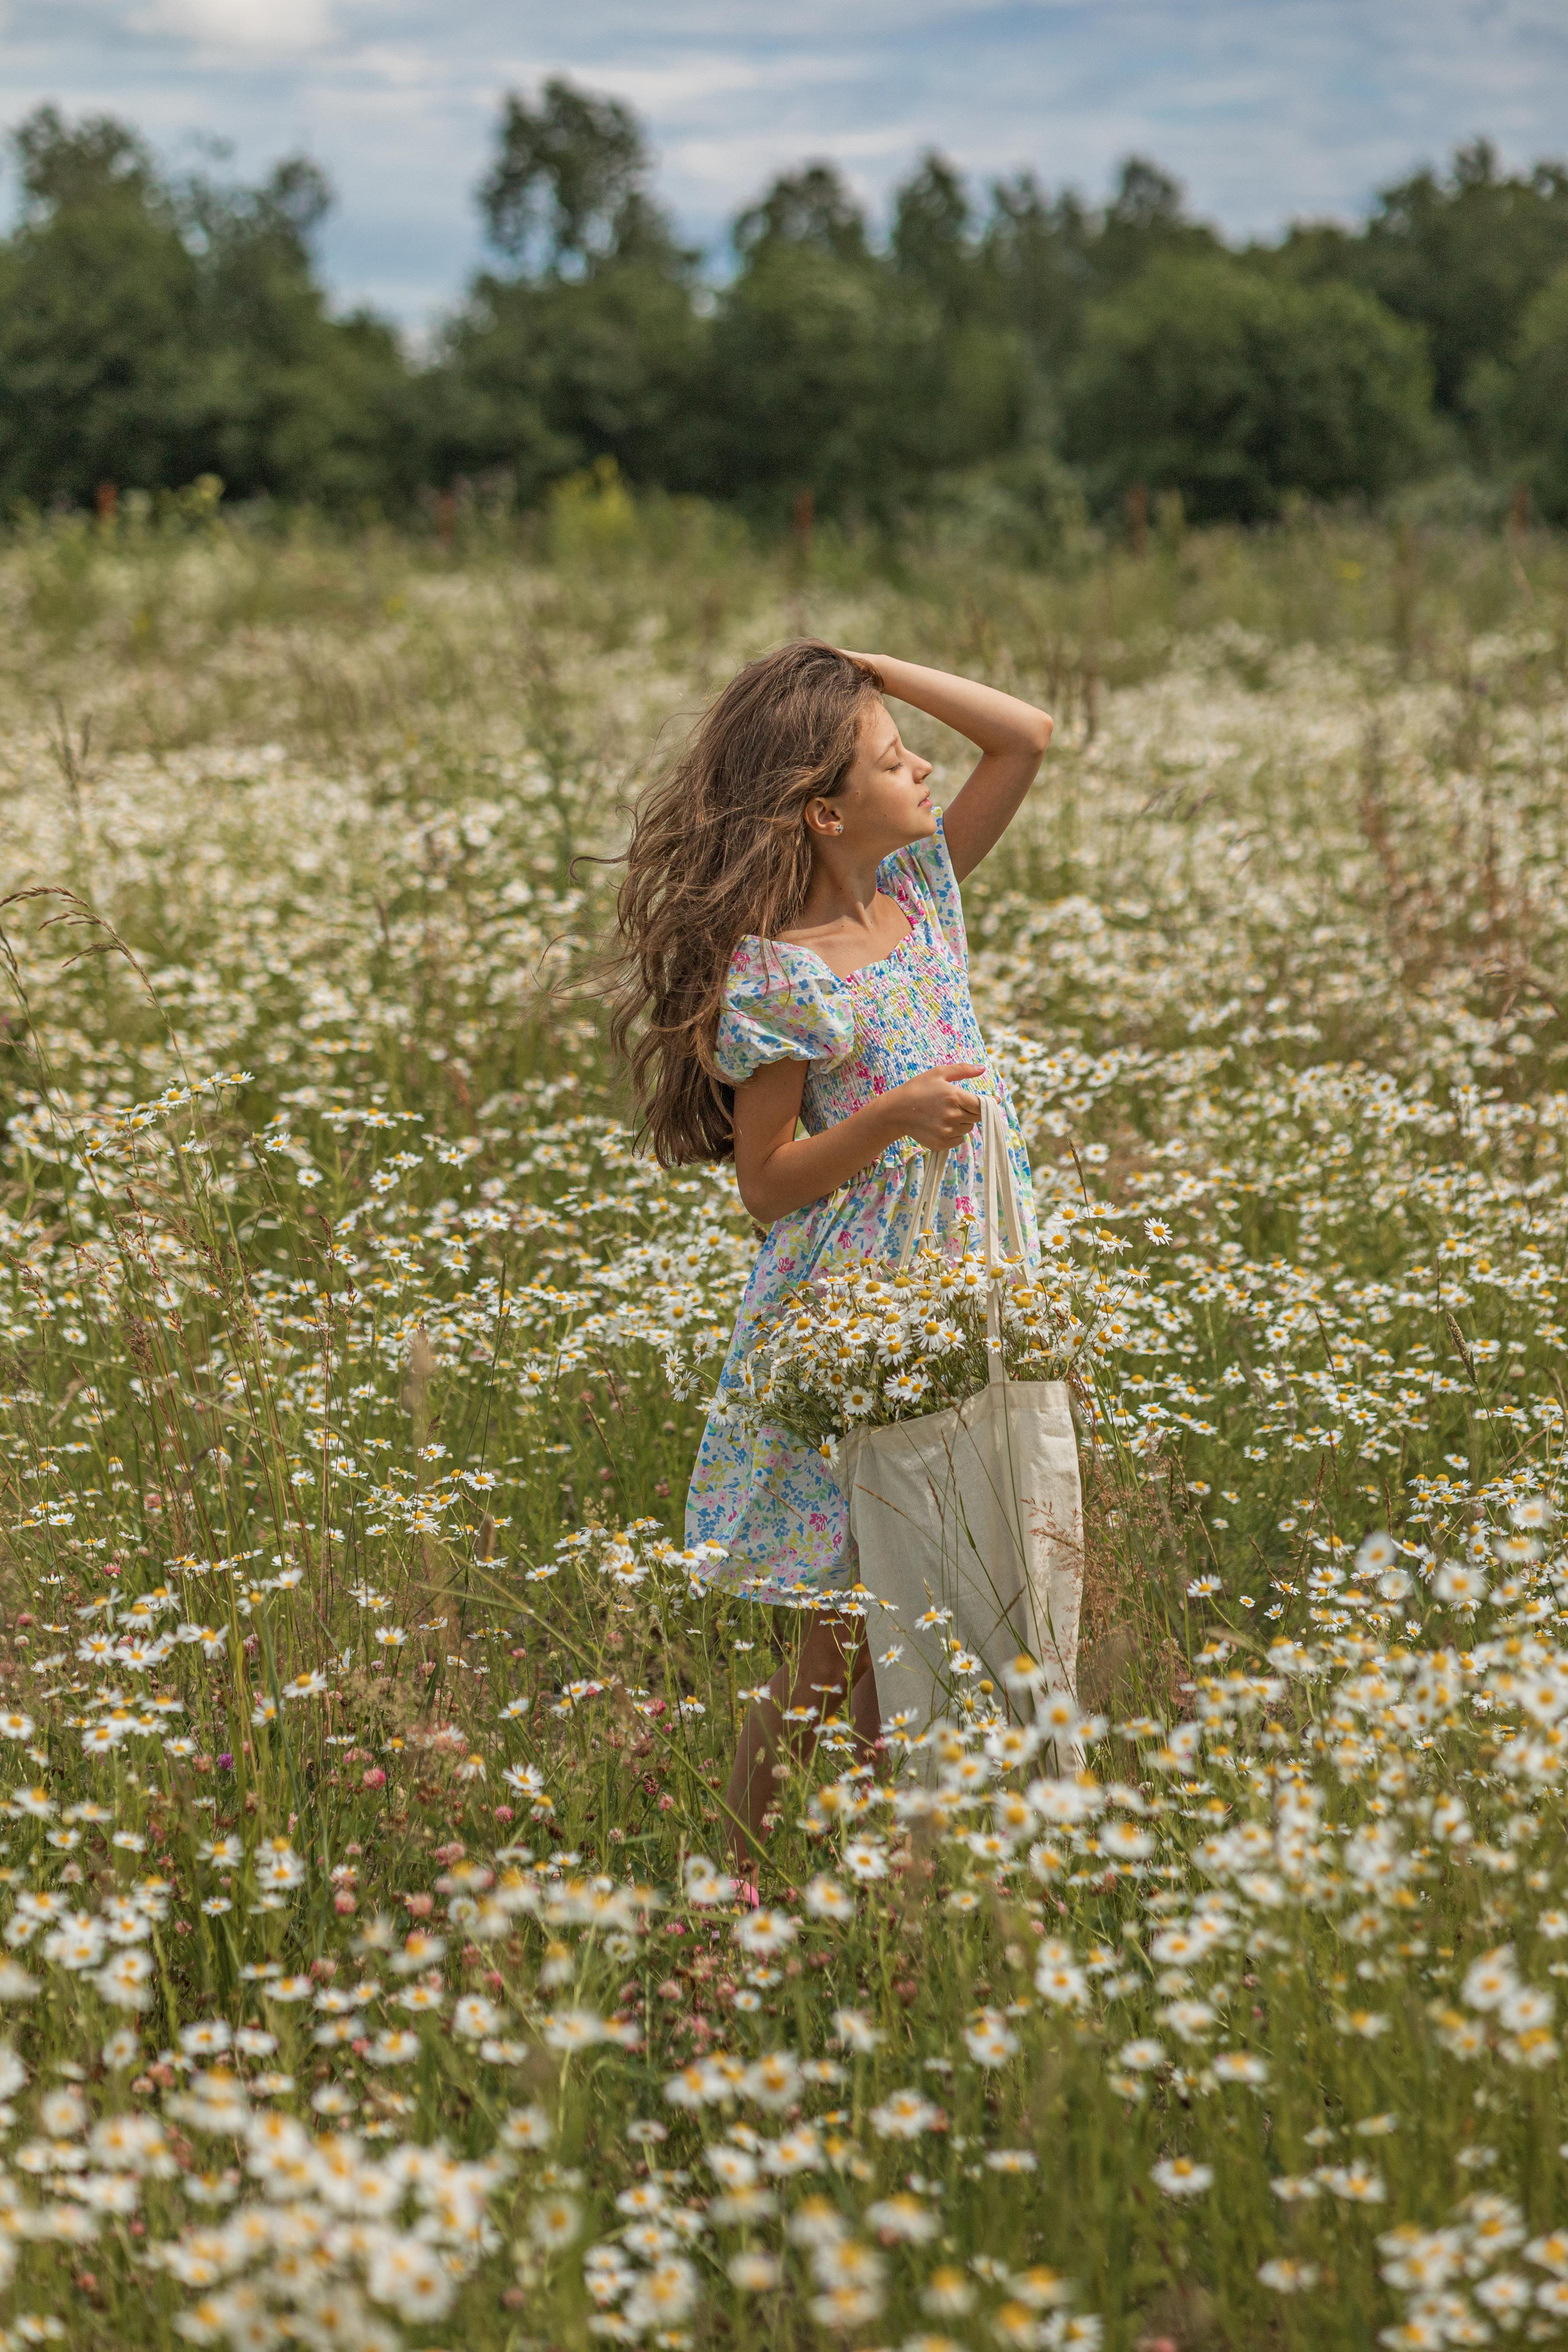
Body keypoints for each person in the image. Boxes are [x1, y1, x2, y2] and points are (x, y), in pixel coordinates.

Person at [609, 640, 1053, 1874]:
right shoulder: (783, 972)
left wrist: (866, 671)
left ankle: (894, 1863)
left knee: (936, 1591)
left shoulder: (920, 891)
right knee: (842, 1634)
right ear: (823, 812)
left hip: (962, 1286)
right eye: (892, 760)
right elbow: (765, 1182)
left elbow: (1024, 734)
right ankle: (735, 1877)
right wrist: (890, 1118)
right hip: (855, 1317)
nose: (921, 768)